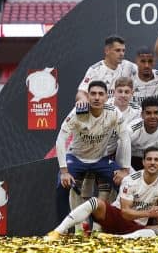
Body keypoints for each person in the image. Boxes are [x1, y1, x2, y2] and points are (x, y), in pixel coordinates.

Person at [45, 147, 158, 240]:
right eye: (149, 159)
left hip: (136, 228)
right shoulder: (131, 180)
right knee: (95, 202)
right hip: (117, 218)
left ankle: (115, 238)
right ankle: (57, 232)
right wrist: (147, 213)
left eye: (156, 160)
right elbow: (125, 213)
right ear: (143, 162)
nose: (152, 162)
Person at [55, 80, 131, 221]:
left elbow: (125, 139)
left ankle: (119, 225)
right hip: (76, 158)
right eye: (93, 94)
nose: (97, 97)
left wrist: (125, 169)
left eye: (101, 94)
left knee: (127, 182)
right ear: (88, 97)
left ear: (107, 97)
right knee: (61, 184)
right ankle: (62, 230)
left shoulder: (114, 112)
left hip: (100, 159)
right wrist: (64, 172)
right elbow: (60, 140)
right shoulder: (78, 112)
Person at [76, 35, 136, 108]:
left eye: (123, 50)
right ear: (107, 51)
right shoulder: (95, 70)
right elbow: (81, 92)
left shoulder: (128, 66)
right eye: (117, 50)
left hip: (123, 111)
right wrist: (83, 100)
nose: (121, 54)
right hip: (102, 112)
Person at [131, 46, 158, 113]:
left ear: (154, 61)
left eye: (150, 61)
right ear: (136, 61)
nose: (147, 65)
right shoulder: (130, 82)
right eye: (143, 61)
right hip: (136, 121)